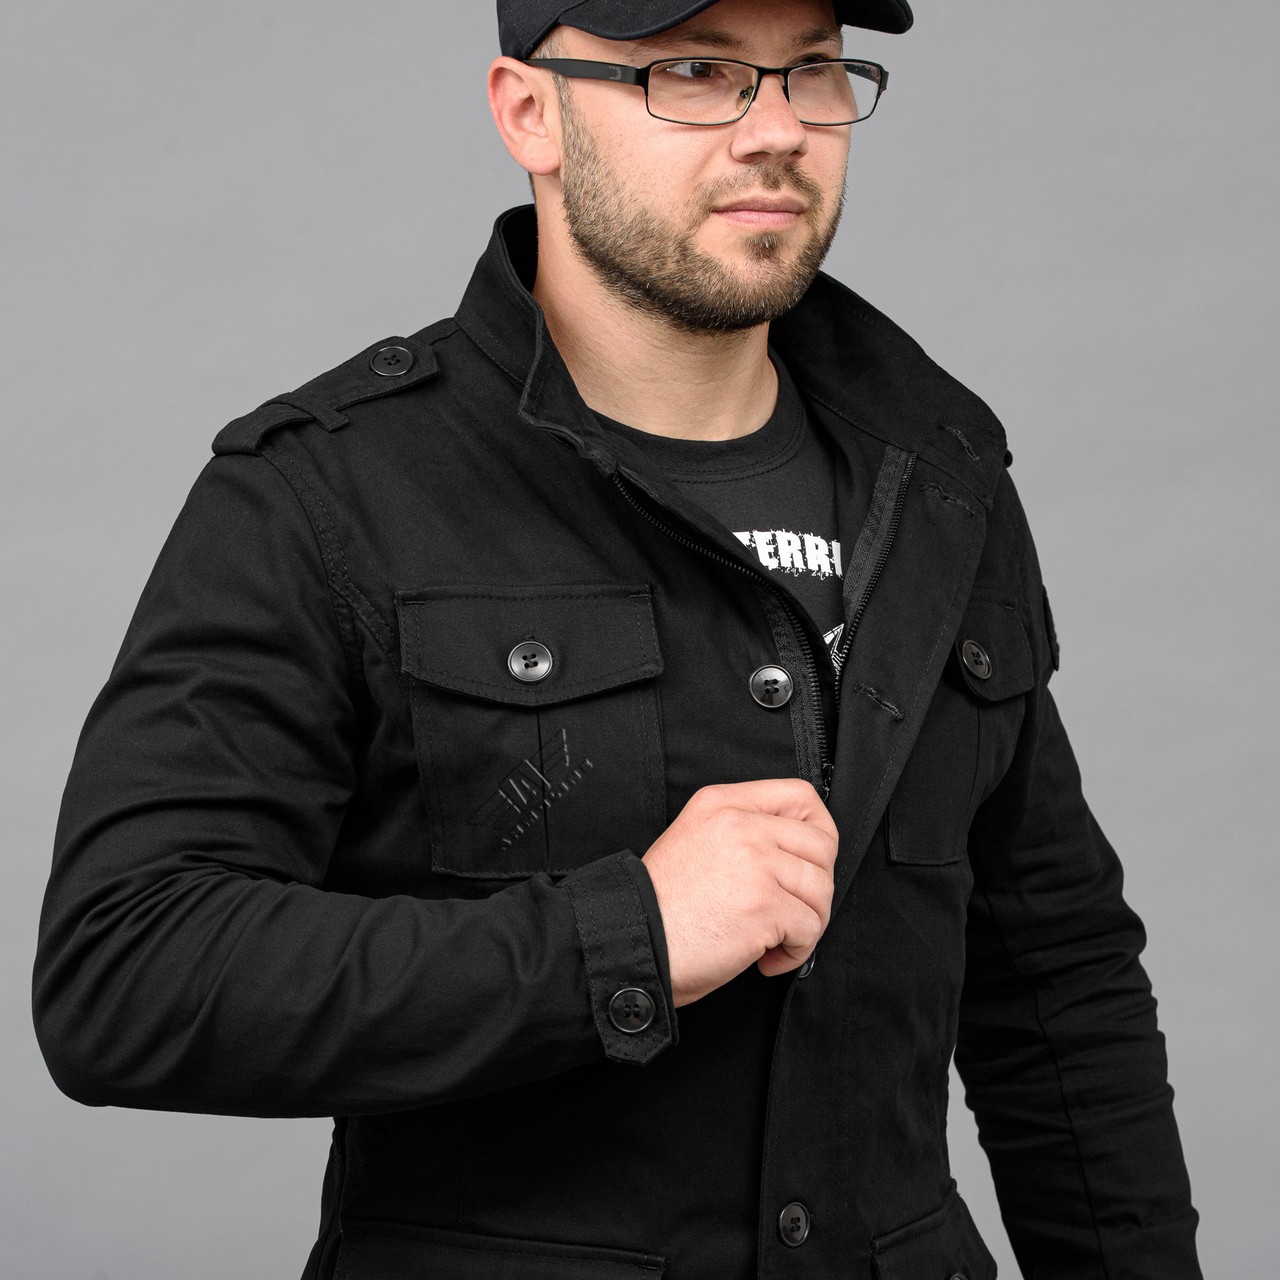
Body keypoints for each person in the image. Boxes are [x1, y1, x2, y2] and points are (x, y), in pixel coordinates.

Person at [32, 0, 1203, 1276]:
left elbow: (1057, 983)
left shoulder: (938, 474)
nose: (776, 130)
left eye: (810, 71)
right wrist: (626, 933)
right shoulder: (327, 493)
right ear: (527, 112)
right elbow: (123, 972)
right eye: (694, 72)